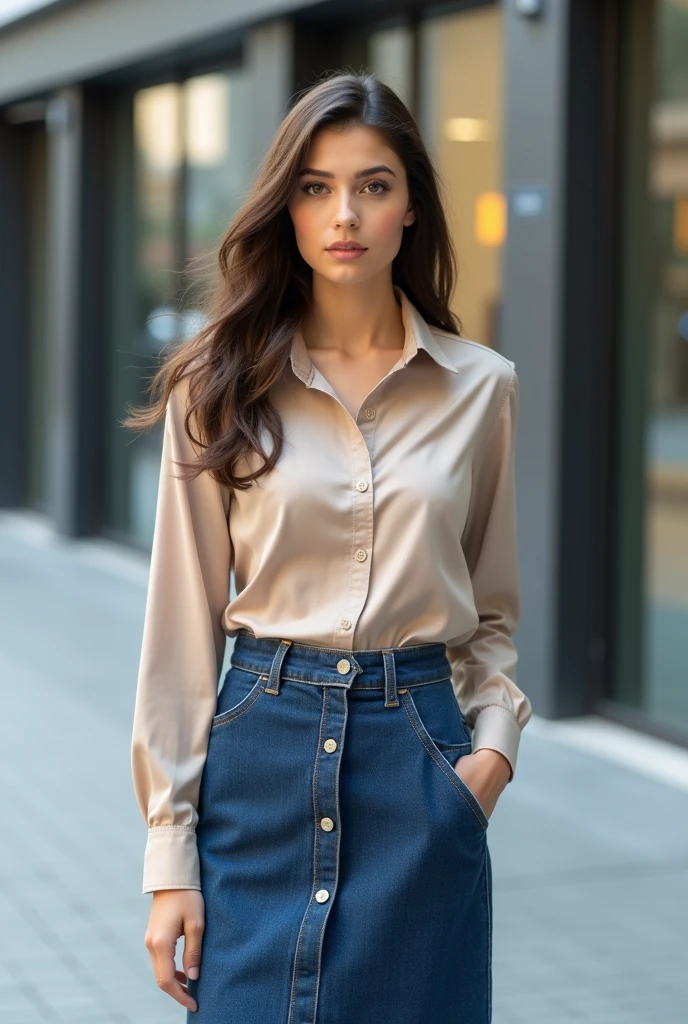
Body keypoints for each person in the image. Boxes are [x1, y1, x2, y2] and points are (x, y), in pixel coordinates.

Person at [126, 69, 532, 1024]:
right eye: (314, 187)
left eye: (373, 184)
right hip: (257, 752)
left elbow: (495, 606)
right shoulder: (215, 386)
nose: (343, 212)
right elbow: (180, 638)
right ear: (287, 210)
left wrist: (492, 757)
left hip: (420, 760)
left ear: (412, 213)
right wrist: (168, 858)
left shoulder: (482, 389)